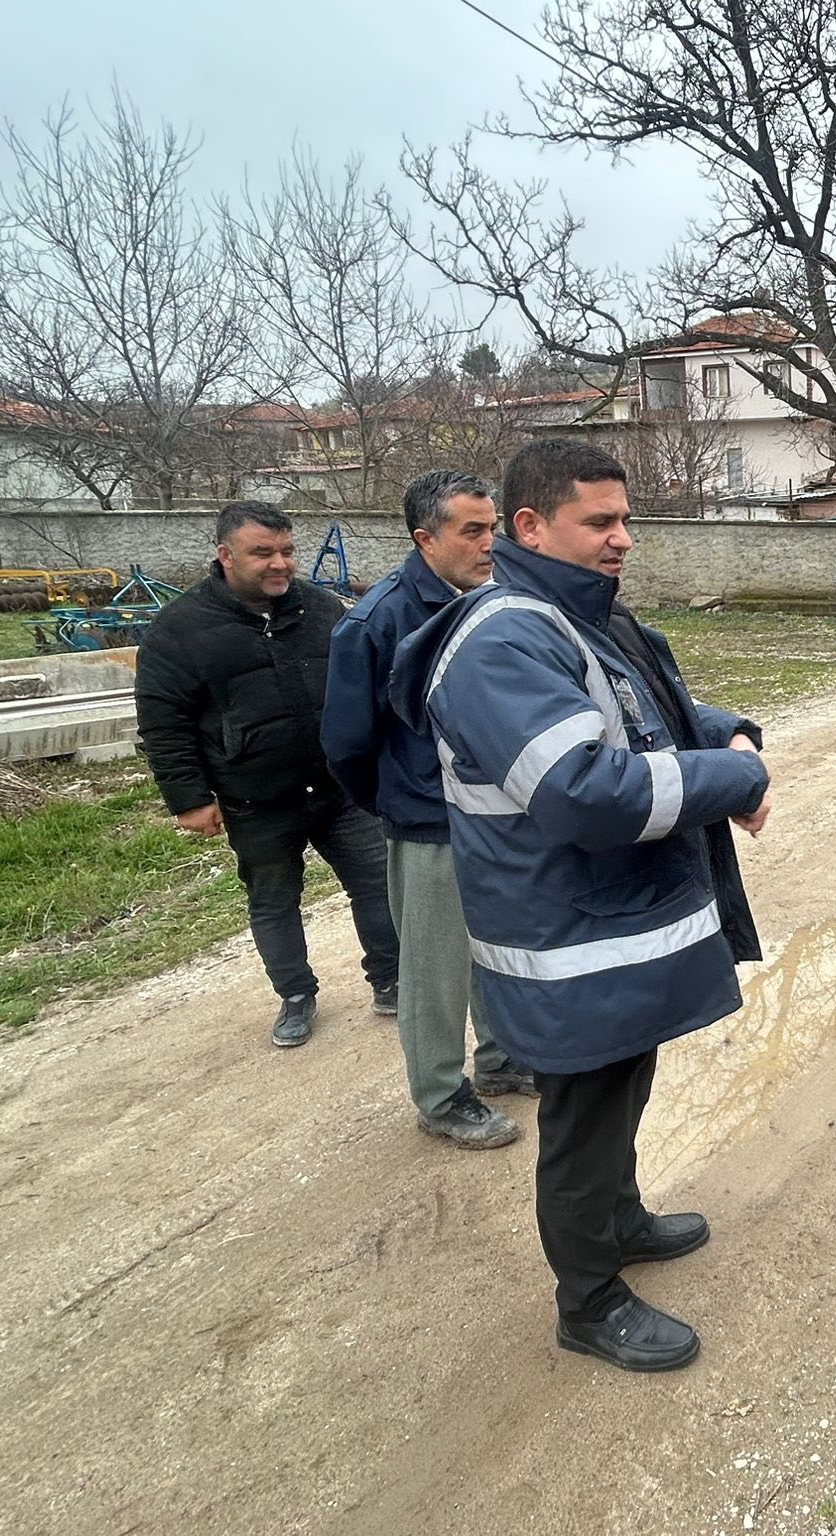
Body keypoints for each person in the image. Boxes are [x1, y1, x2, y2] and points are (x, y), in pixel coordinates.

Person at [390, 439, 772, 1373]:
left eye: (624, 519)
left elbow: (644, 711)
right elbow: (578, 788)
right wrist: (734, 776)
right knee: (582, 1119)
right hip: (567, 939)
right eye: (600, 522)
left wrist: (723, 731)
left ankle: (622, 1218)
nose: (624, 539)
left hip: (612, 930)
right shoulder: (501, 639)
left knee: (623, 1088)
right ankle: (588, 1298)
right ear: (531, 526)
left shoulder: (574, 619)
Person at [322, 470, 536, 1148]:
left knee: (499, 946)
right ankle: (442, 1098)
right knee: (436, 970)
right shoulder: (377, 620)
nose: (489, 543)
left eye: (492, 527)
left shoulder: (492, 598)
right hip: (429, 821)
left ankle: (501, 1061)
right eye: (472, 531)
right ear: (425, 538)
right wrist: (401, 805)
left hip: (495, 814)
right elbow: (347, 744)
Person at [135, 502, 398, 1049]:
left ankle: (390, 979)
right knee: (274, 900)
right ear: (225, 555)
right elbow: (163, 721)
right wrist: (188, 797)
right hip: (254, 797)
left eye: (286, 551)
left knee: (376, 886)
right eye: (263, 553)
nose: (280, 564)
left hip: (339, 787)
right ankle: (296, 995)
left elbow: (364, 686)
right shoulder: (180, 629)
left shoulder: (323, 609)